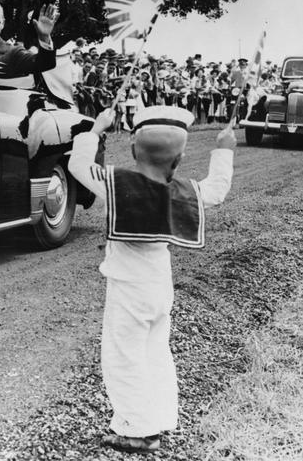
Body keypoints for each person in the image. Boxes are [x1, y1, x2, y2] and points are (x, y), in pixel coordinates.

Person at [67, 105, 235, 454]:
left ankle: (139, 431)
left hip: (127, 289)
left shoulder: (115, 184)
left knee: (123, 357)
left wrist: (95, 130)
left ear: (132, 151)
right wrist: (224, 148)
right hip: (160, 287)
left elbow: (77, 166)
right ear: (179, 159)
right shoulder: (185, 190)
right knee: (156, 352)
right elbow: (216, 189)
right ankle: (158, 418)